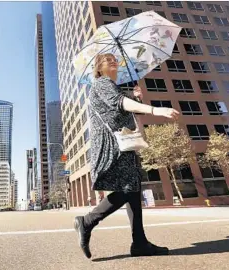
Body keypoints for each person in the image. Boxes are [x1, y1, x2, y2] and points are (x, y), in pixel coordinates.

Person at [74, 53, 179, 259]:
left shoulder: (114, 87)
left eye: (115, 60)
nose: (113, 62)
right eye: (107, 60)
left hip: (124, 143)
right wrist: (154, 109)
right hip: (113, 143)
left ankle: (139, 243)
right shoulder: (102, 83)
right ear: (99, 67)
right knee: (128, 188)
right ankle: (87, 221)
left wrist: (137, 97)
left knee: (133, 188)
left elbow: (128, 107)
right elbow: (120, 103)